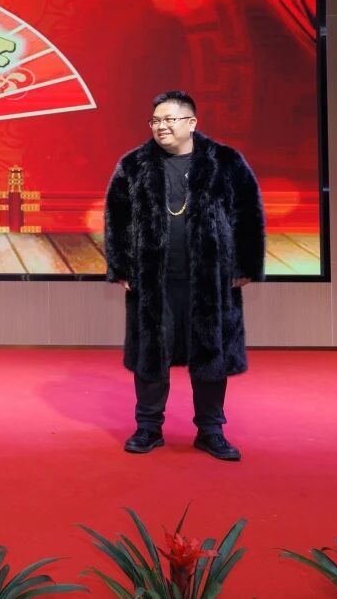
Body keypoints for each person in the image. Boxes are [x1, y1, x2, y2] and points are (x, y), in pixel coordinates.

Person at [104, 90, 265, 461]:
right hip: (153, 280)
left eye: (169, 119)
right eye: (155, 120)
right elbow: (116, 217)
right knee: (151, 355)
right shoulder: (134, 164)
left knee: (211, 355)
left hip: (211, 280)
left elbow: (248, 213)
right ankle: (148, 428)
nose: (161, 126)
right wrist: (122, 267)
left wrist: (245, 265)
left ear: (191, 122)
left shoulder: (225, 161)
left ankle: (211, 431)